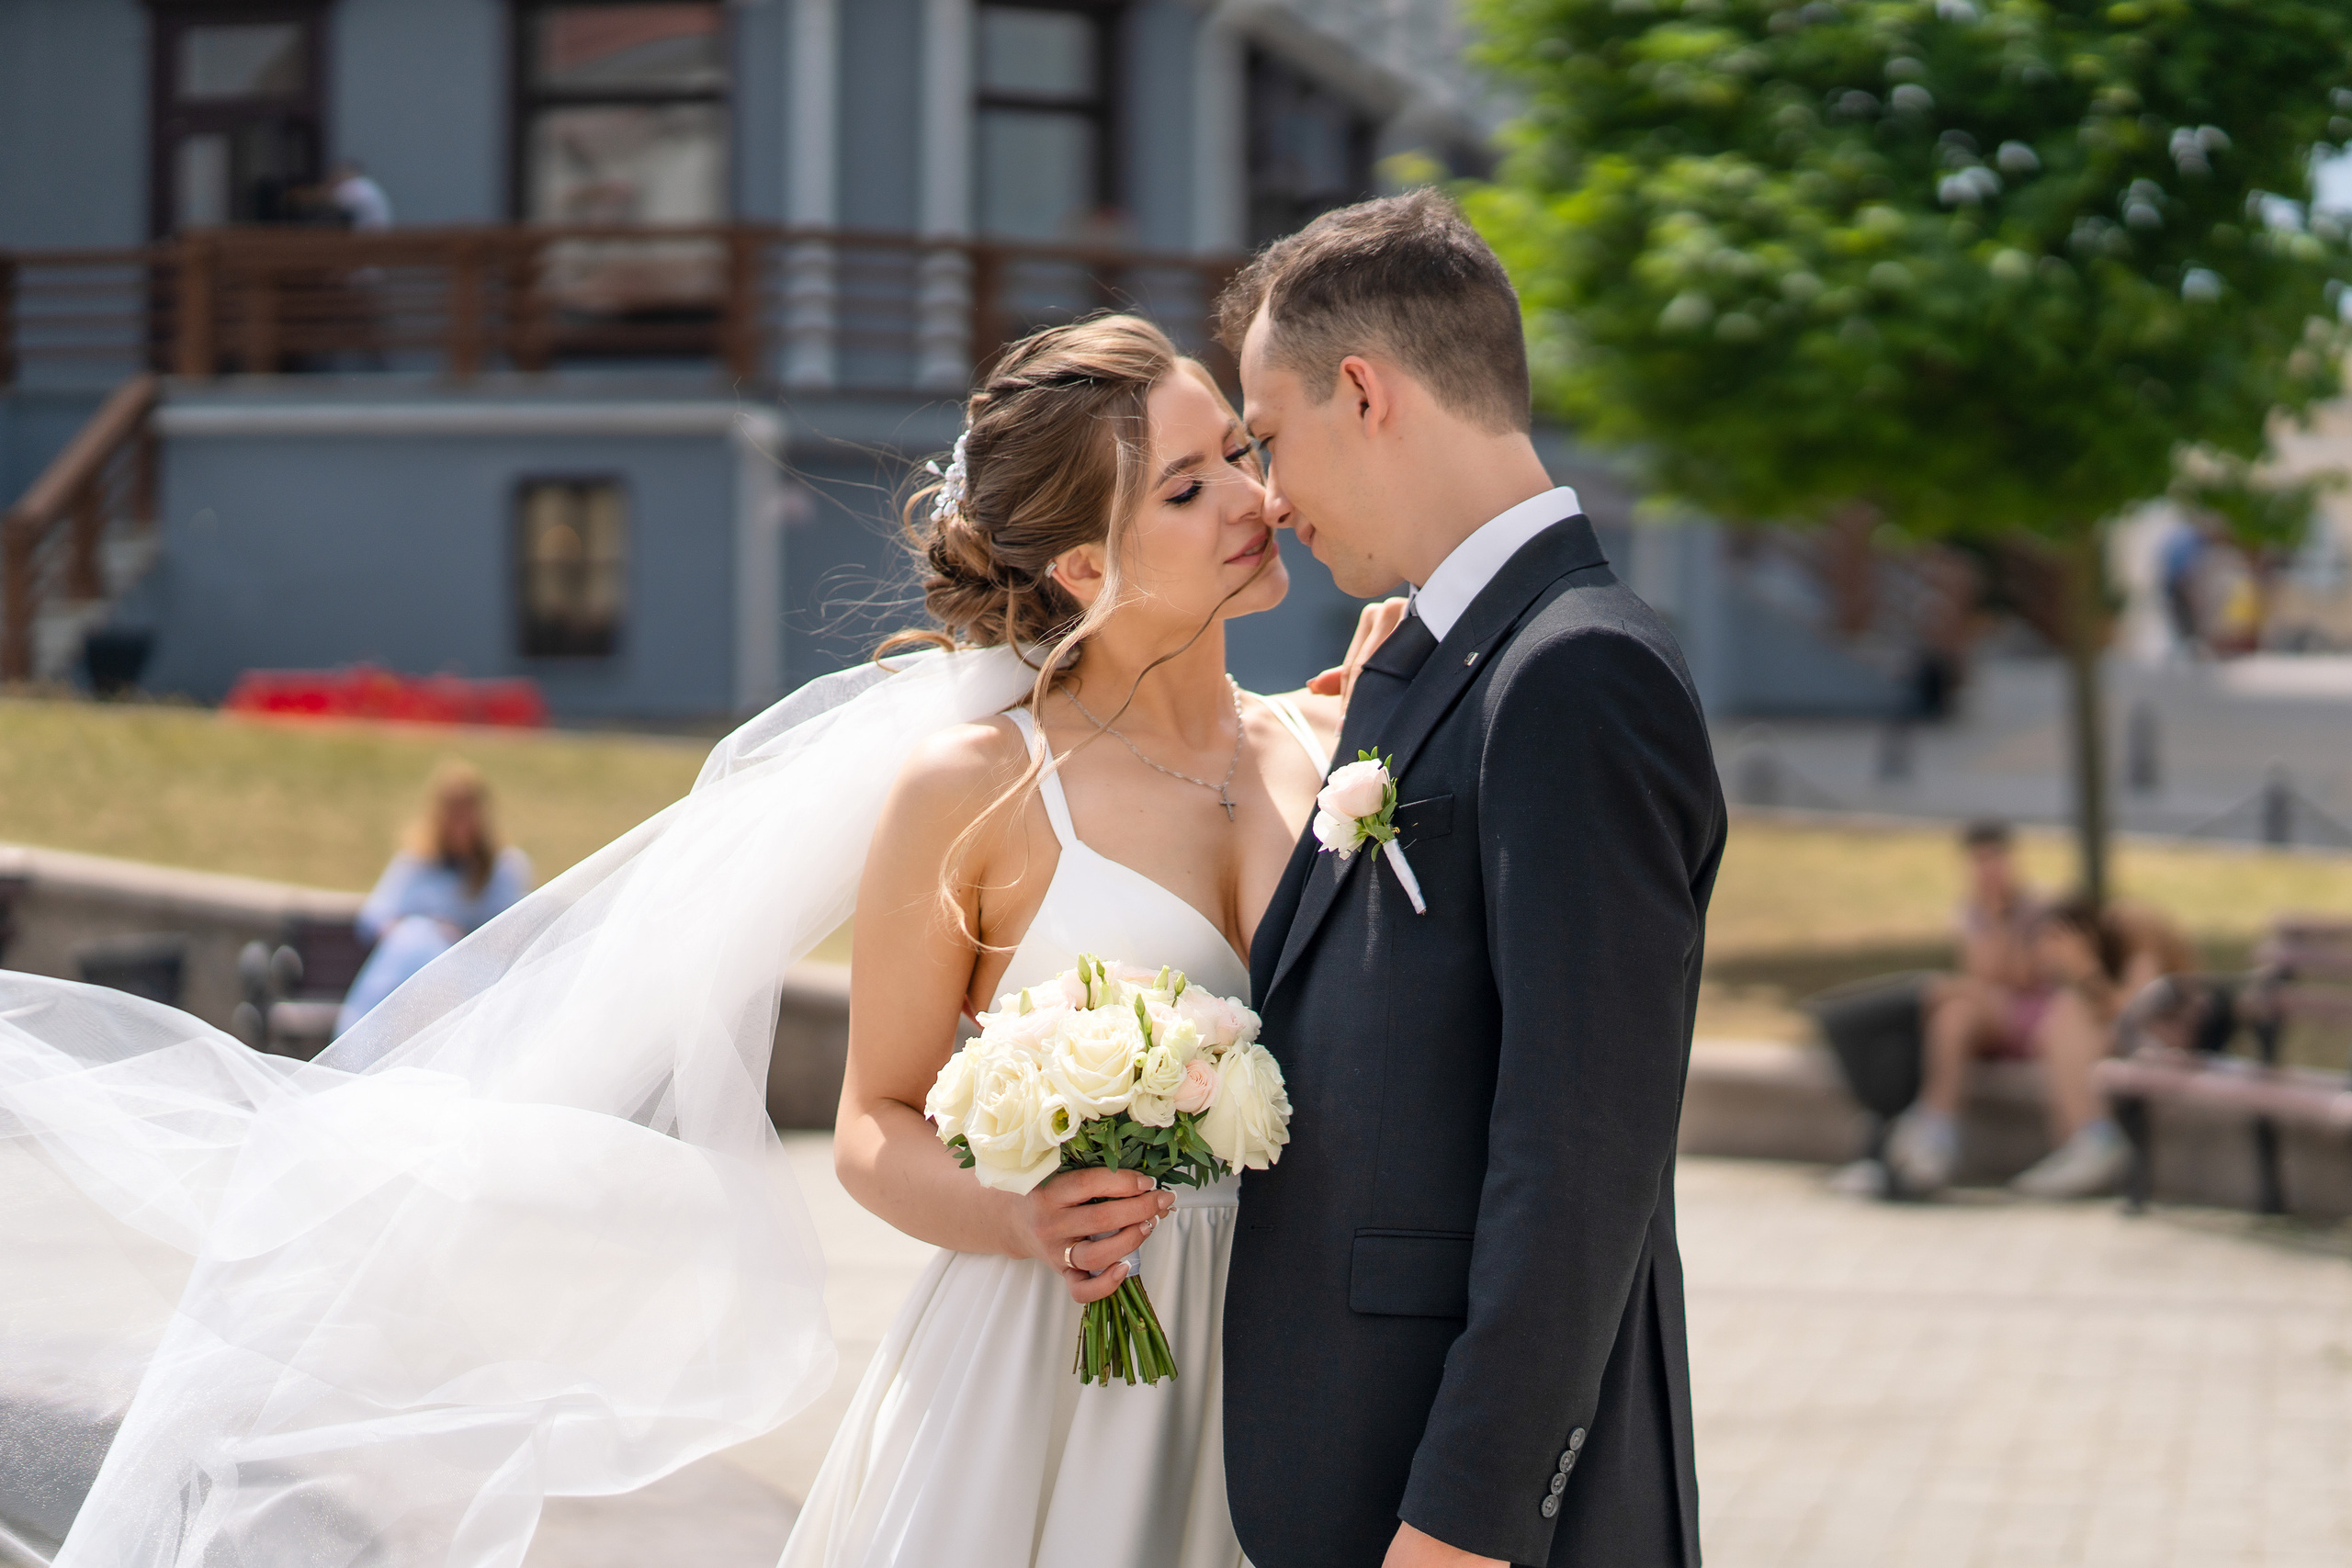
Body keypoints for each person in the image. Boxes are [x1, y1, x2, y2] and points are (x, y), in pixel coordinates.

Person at [782, 316, 1341, 1566]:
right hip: (1051, 1372)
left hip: (1296, 1370)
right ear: (1083, 565)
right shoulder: (976, 787)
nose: (1251, 497)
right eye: (1187, 489)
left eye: (1240, 452)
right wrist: (1018, 1217)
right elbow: (871, 1119)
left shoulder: (1338, 748)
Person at [1221, 192, 1724, 1568]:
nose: (1269, 497)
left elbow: (1581, 1148)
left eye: (1268, 438)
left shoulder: (1577, 670)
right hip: (1361, 1462)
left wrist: (1466, 1521)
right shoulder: (1451, 657)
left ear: (1363, 391)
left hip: (1467, 1516)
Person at [1883, 820, 2052, 1192]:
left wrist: (2000, 916)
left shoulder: (2039, 908)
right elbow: (1982, 974)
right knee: (1952, 1018)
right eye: (1979, 861)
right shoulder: (1970, 913)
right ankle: (1937, 1133)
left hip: (2037, 1020)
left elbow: (2021, 976)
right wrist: (1989, 914)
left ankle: (1924, 1124)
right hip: (1991, 1016)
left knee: (1941, 994)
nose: (1988, 870)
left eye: (1995, 859)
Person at [334, 761, 532, 1035]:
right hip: (410, 982)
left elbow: (512, 930)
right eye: (454, 813)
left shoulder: (503, 870)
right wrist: (421, 930)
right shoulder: (416, 863)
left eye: (468, 812)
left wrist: (458, 938)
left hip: (470, 986)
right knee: (416, 939)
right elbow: (375, 916)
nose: (461, 823)